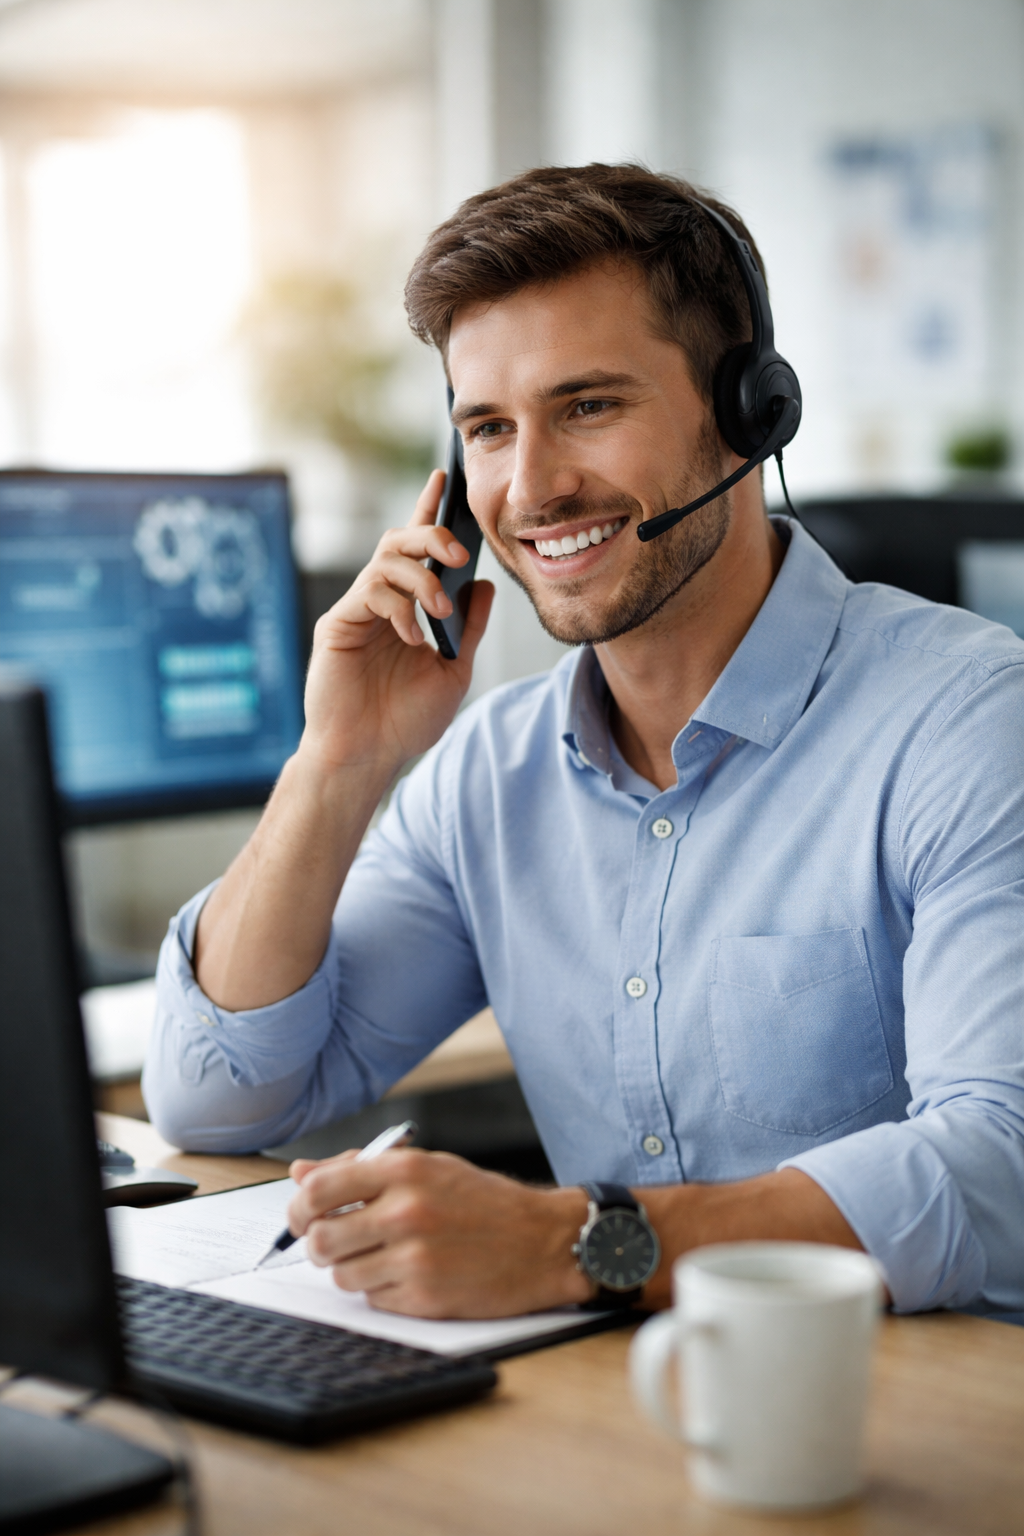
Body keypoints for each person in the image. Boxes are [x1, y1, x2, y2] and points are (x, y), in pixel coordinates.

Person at [144, 165, 1024, 1321]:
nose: (534, 487)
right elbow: (220, 1102)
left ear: (750, 409)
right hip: (621, 1422)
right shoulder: (486, 776)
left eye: (589, 406)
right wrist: (338, 762)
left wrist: (579, 1245)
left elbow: (998, 1169)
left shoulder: (968, 722)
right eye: (490, 431)